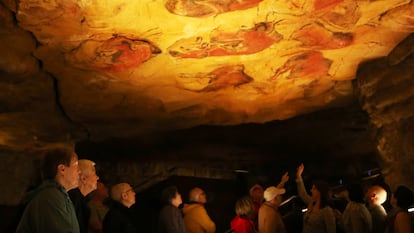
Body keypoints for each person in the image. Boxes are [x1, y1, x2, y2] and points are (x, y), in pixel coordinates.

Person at [16, 146, 81, 233]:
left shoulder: (57, 195)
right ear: (62, 169)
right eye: (76, 166)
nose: (79, 171)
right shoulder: (51, 197)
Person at [296, 163, 336, 233]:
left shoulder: (327, 211)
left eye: (314, 188)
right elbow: (303, 194)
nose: (311, 190)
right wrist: (299, 176)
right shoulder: (311, 203)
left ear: (320, 191)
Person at [69, 159, 100, 233]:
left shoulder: (80, 200)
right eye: (94, 173)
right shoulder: (73, 200)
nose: (97, 177)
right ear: (83, 178)